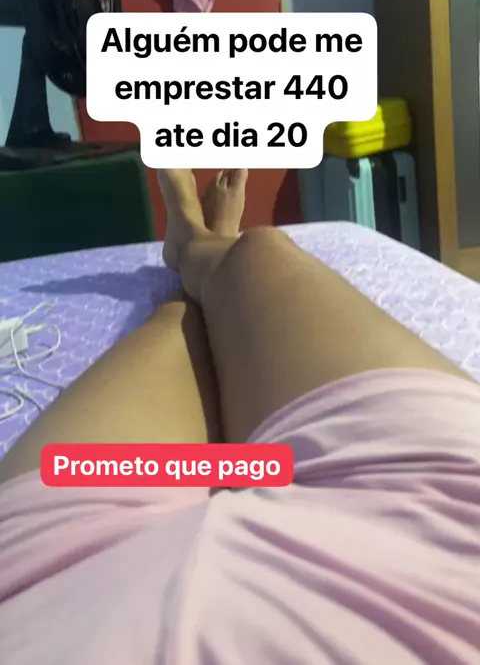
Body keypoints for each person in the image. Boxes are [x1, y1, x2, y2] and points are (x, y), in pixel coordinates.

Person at [1, 169, 480, 664]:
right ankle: (204, 248)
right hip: (443, 528)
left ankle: (194, 247)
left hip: (57, 592)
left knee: (179, 325)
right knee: (261, 251)